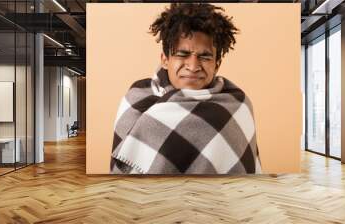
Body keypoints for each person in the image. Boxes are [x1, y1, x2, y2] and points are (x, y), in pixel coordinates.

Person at [110, 3, 261, 174]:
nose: (193, 66)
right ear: (165, 60)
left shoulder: (237, 105)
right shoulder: (136, 99)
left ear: (217, 65)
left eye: (204, 56)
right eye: (182, 54)